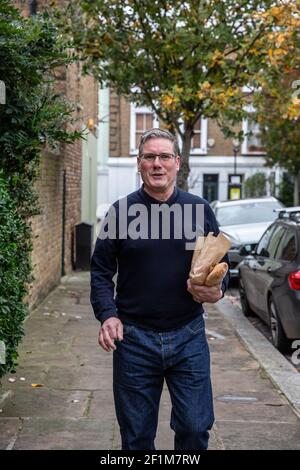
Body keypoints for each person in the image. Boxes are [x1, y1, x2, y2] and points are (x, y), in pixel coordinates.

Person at [90, 128, 230, 450]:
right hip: (134, 340)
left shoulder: (199, 210)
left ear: (177, 162)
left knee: (195, 429)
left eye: (164, 156)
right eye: (149, 157)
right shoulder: (120, 213)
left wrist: (218, 289)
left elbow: (222, 266)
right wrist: (107, 315)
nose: (157, 164)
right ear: (139, 164)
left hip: (188, 336)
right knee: (136, 438)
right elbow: (100, 270)